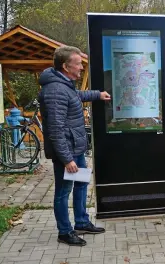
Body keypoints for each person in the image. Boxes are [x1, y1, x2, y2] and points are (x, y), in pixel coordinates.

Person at [38, 46, 111, 246]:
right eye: (78, 63)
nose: (81, 67)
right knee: (63, 192)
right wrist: (67, 159)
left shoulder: (63, 84)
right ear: (65, 66)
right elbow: (55, 130)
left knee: (81, 183)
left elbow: (75, 96)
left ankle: (81, 222)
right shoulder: (55, 91)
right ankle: (64, 231)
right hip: (67, 153)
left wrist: (97, 94)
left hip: (75, 149)